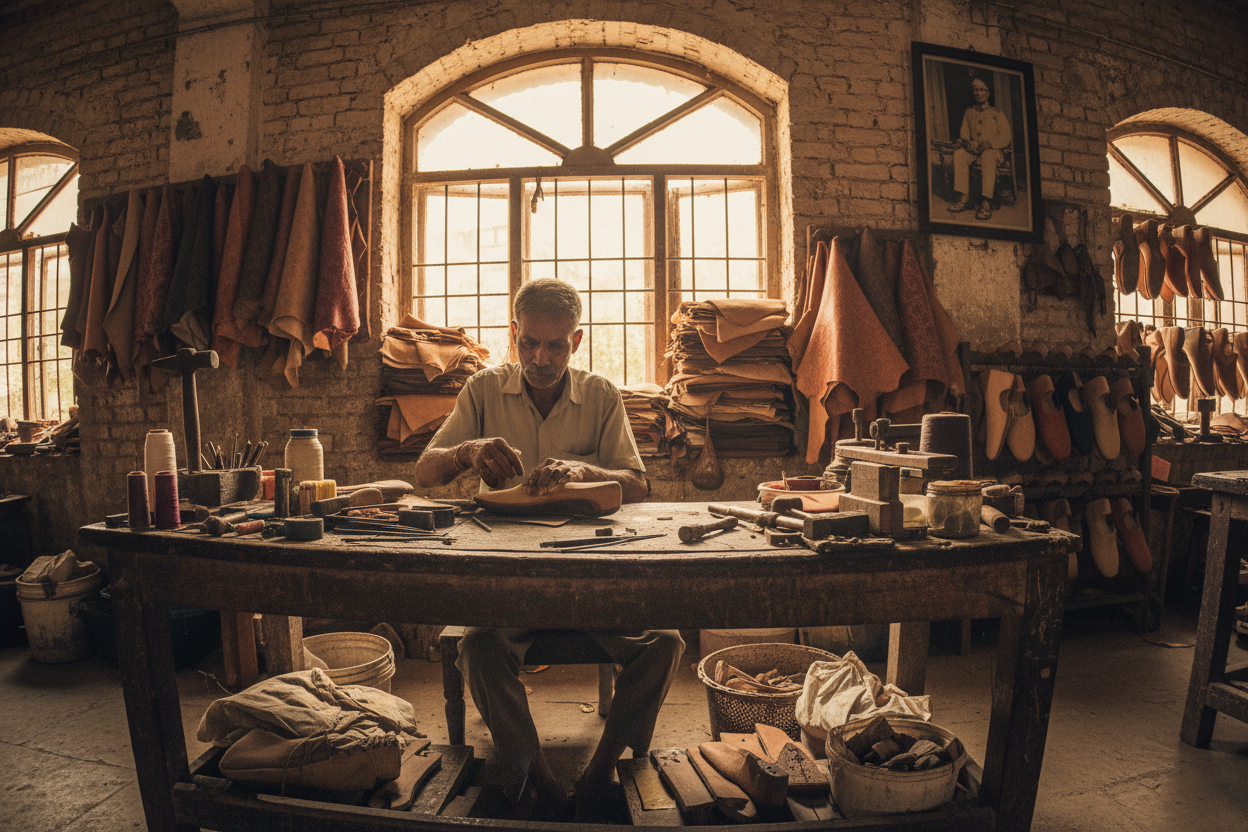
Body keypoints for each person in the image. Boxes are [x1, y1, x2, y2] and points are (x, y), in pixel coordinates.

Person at [413, 278, 684, 819]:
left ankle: (602, 768)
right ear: (513, 335)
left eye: (555, 345)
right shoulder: (484, 391)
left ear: (577, 342)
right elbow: (422, 475)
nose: (540, 357)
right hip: (506, 573)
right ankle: (536, 774)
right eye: (529, 342)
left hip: (592, 570)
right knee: (480, 652)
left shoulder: (601, 395)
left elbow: (637, 484)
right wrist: (467, 452)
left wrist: (585, 470)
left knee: (665, 642)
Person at [947, 76, 1012, 221]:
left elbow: (1006, 136)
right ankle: (964, 197)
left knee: (988, 156)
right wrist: (967, 142)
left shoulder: (997, 113)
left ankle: (986, 202)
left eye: (982, 90)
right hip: (975, 150)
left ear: (988, 93)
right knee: (959, 154)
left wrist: (990, 144)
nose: (978, 93)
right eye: (976, 90)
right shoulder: (969, 112)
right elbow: (964, 132)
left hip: (994, 151)